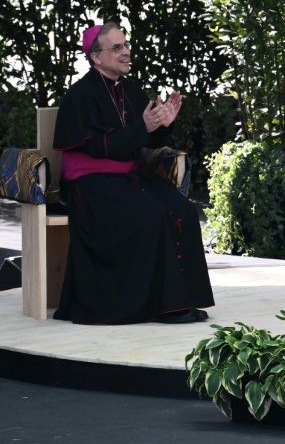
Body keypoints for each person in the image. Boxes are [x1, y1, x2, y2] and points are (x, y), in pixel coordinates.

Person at [52, 22, 214, 325]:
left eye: (126, 45)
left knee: (184, 210)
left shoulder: (131, 89)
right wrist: (144, 127)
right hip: (89, 183)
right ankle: (164, 307)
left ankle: (183, 300)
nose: (126, 52)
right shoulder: (80, 94)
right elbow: (100, 148)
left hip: (126, 177)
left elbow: (147, 140)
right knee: (151, 213)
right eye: (117, 48)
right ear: (96, 57)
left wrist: (165, 123)